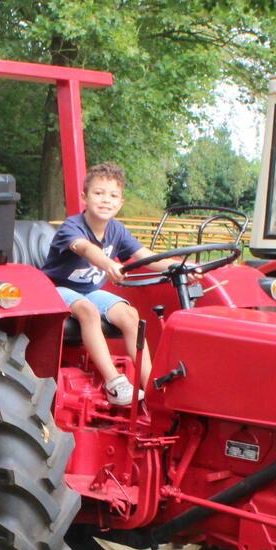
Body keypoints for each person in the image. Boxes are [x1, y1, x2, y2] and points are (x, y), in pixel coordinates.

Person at [42, 162, 178, 406]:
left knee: (131, 315)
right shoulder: (72, 227)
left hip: (89, 290)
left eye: (113, 195)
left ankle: (152, 388)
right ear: (85, 197)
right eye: (98, 193)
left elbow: (146, 257)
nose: (106, 200)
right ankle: (115, 383)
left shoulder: (117, 230)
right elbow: (85, 248)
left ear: (120, 202)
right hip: (54, 290)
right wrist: (108, 264)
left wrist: (180, 266)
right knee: (88, 311)